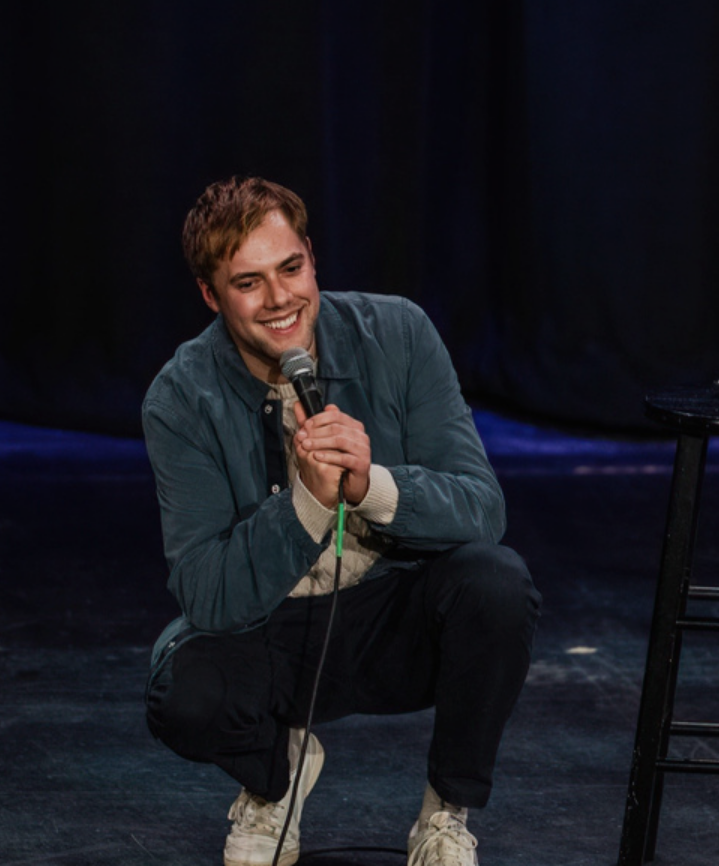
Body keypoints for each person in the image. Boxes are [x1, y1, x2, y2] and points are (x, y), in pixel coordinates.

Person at [142, 177, 540, 866]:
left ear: (312, 258)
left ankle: (445, 813)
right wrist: (306, 503)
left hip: (393, 616)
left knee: (496, 584)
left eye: (291, 268)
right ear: (210, 295)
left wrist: (370, 486)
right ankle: (275, 779)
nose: (279, 299)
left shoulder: (400, 333)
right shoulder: (180, 396)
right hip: (274, 633)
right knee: (181, 690)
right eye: (248, 283)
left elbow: (482, 508)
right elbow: (205, 592)